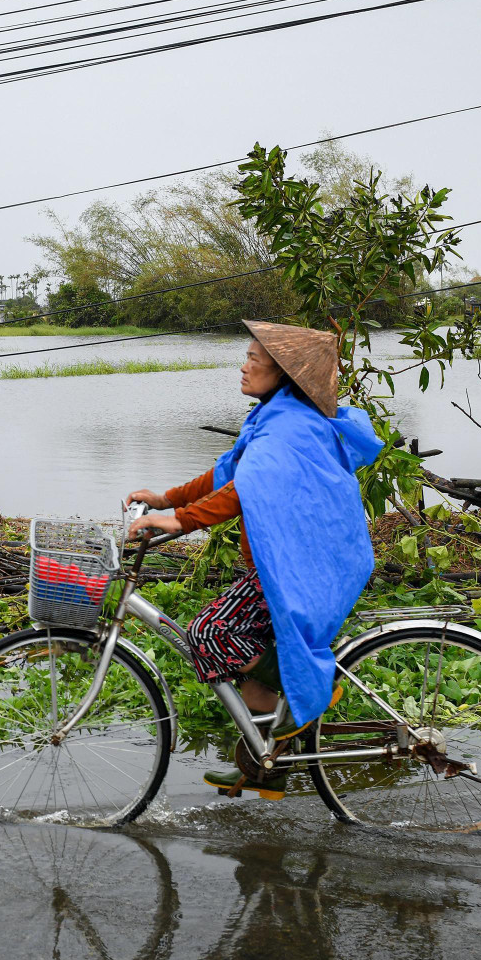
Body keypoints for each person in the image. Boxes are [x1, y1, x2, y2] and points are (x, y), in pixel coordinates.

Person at [126, 320, 383, 797]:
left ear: (283, 375)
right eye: (246, 357)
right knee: (243, 654)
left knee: (210, 632)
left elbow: (244, 489)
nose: (244, 367)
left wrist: (180, 521)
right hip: (296, 563)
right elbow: (227, 471)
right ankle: (266, 764)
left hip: (298, 570)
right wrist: (165, 499)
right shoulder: (276, 417)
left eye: (255, 361)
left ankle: (313, 689)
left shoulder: (288, 429)